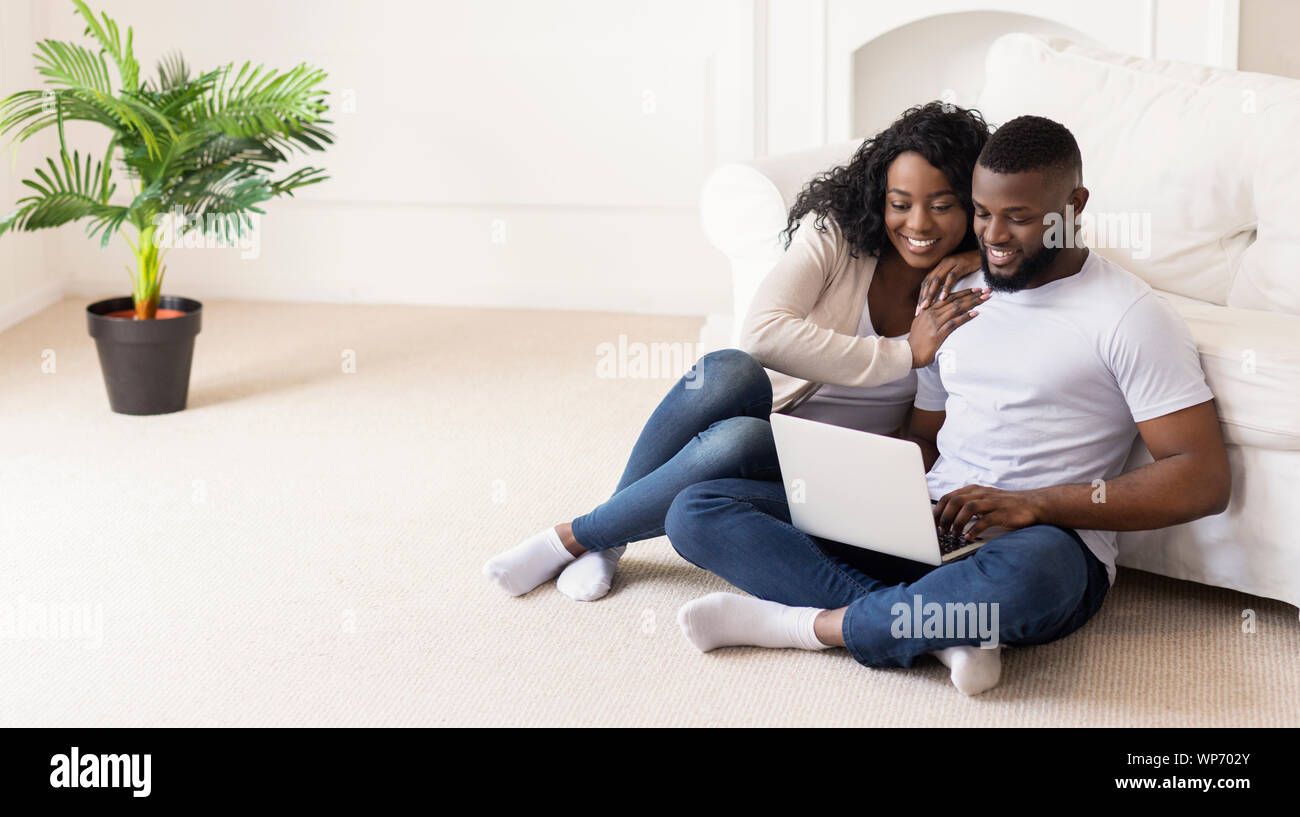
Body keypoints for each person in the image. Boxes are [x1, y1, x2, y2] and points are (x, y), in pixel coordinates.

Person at [663, 115, 1231, 696]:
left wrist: (1031, 505)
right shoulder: (954, 297)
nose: (995, 237)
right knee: (700, 508)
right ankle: (942, 630)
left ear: (1075, 205)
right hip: (927, 522)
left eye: (1020, 217)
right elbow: (926, 435)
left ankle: (810, 626)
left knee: (1039, 576)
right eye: (983, 214)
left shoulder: (1129, 315)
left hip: (1042, 540)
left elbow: (1202, 479)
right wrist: (873, 492)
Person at [483, 103, 993, 601]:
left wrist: (981, 253)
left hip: (843, 469)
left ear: (973, 204)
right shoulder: (836, 234)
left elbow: (1054, 246)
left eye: (942, 205)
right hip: (776, 431)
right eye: (900, 204)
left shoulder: (965, 291)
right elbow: (763, 334)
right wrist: (903, 352)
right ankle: (606, 534)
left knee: (739, 440)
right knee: (729, 371)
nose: (918, 224)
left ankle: (572, 537)